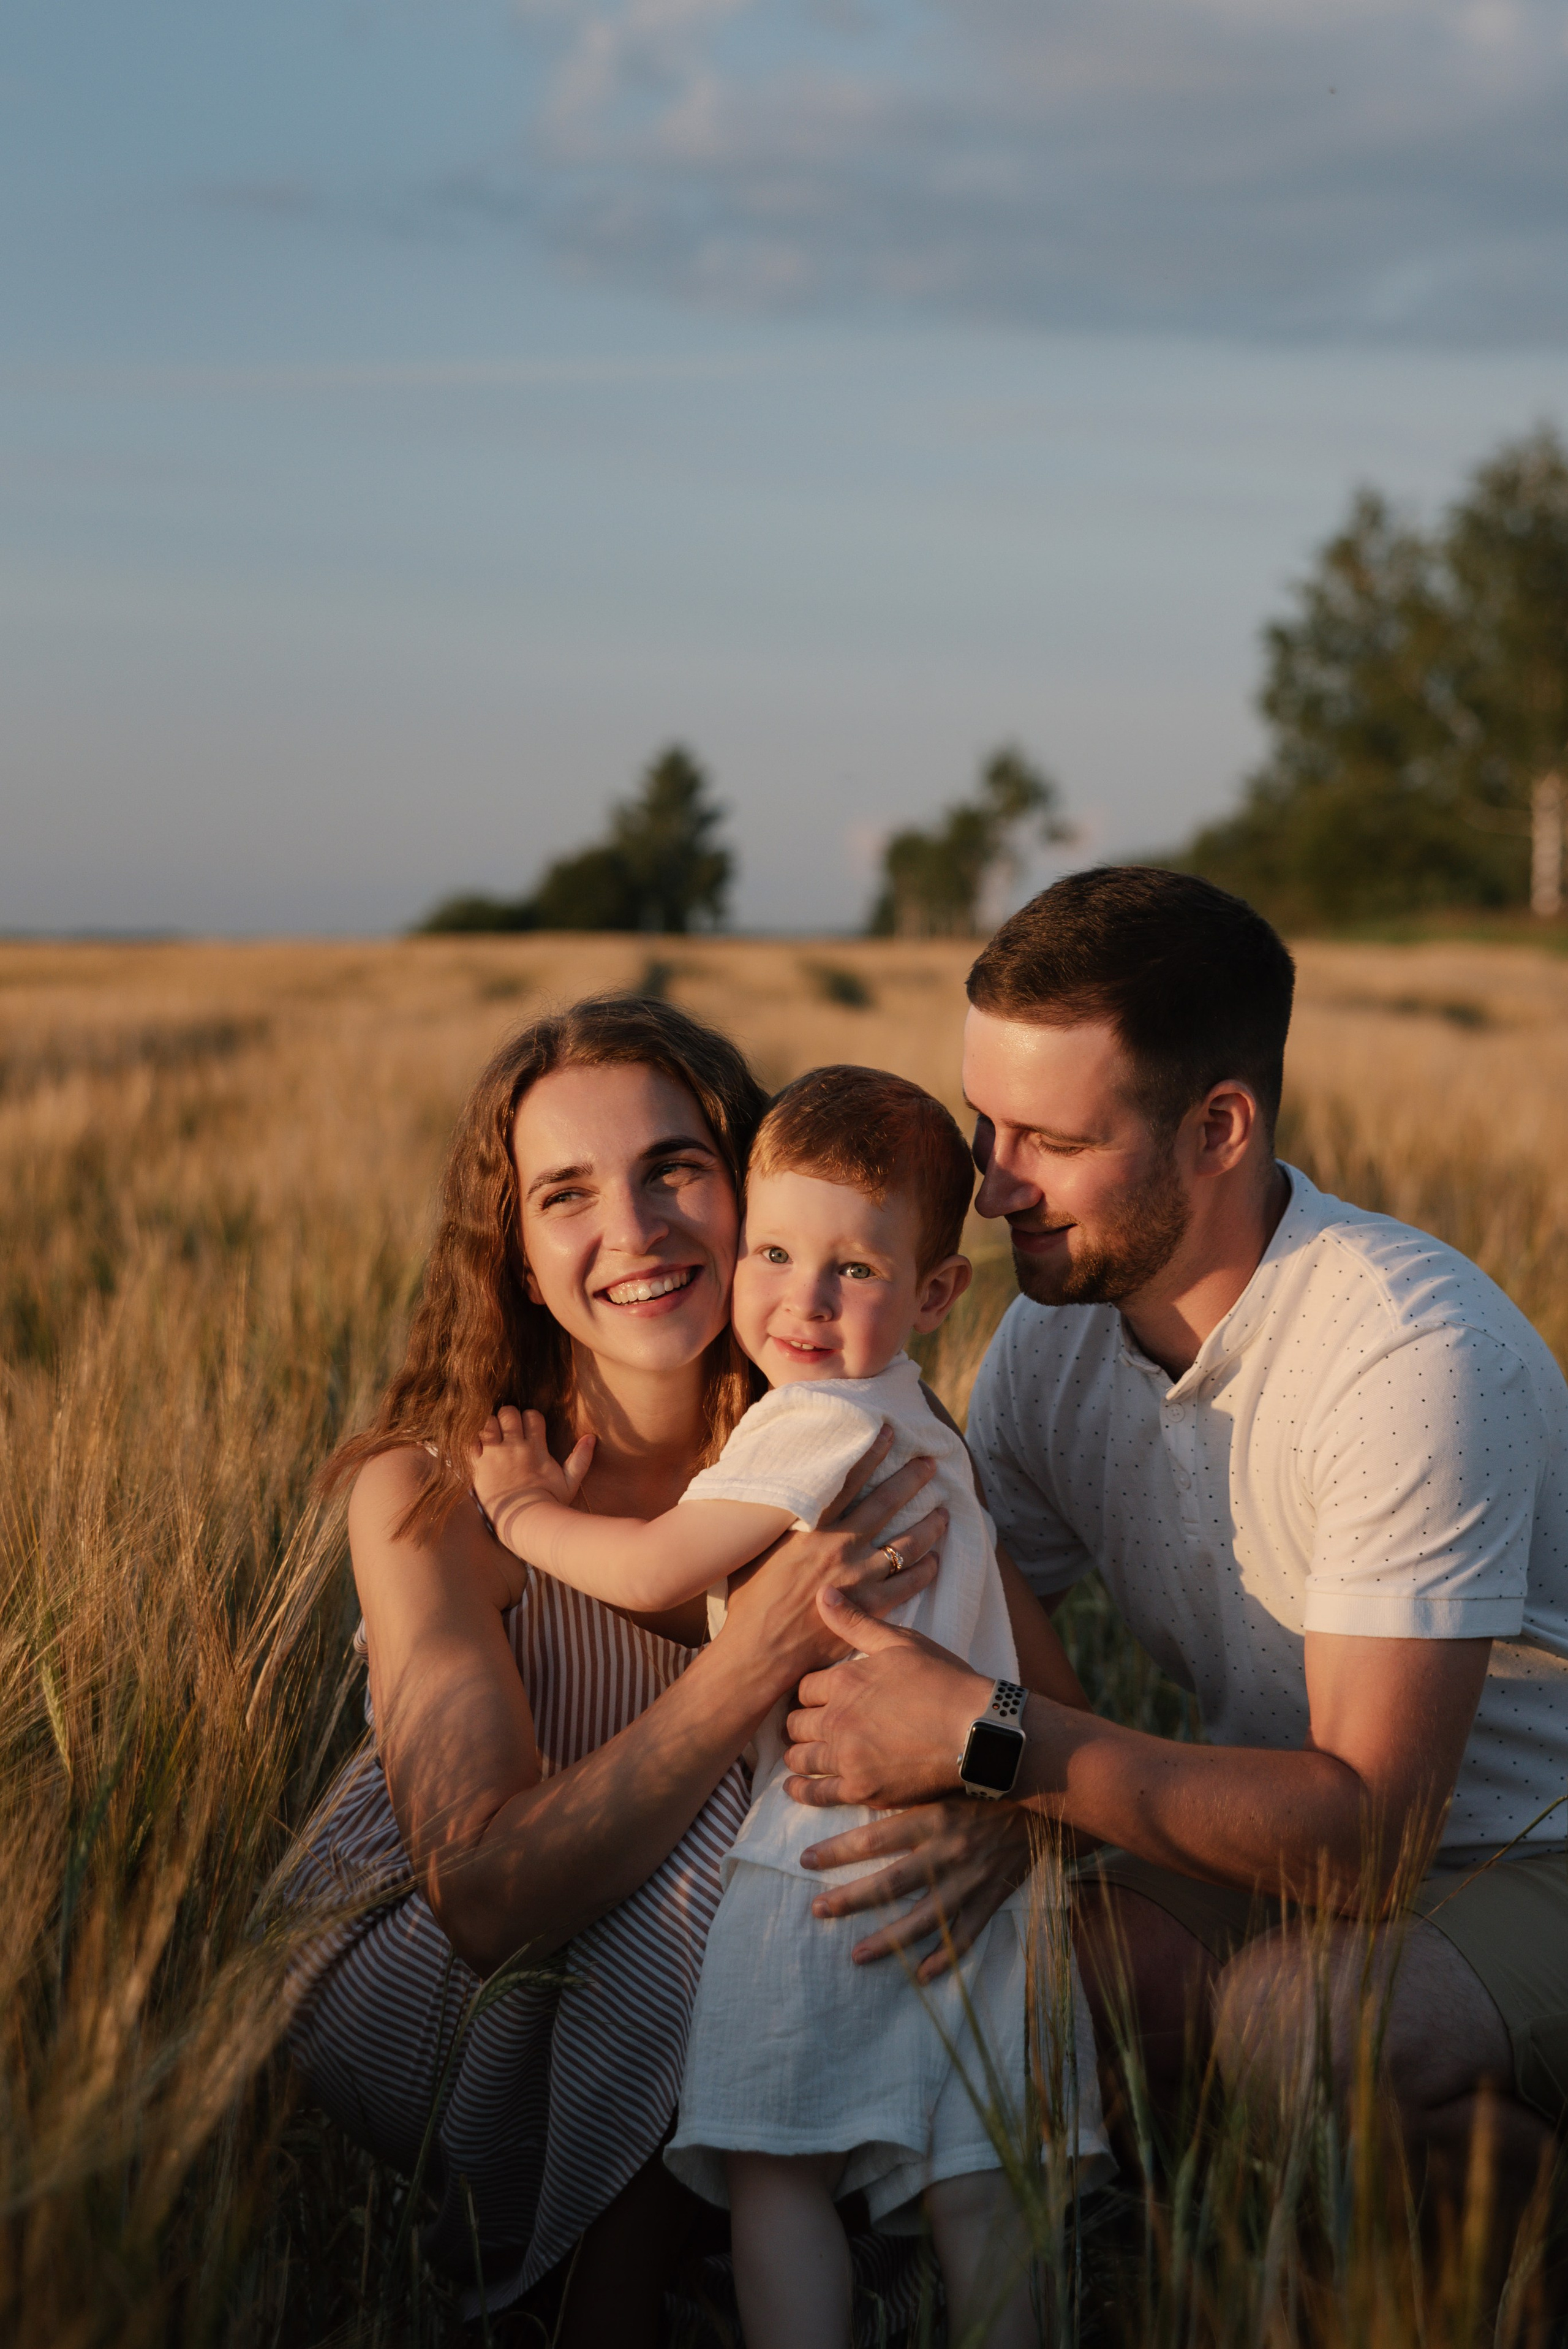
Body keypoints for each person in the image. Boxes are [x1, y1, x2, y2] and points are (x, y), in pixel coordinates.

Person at [782, 868, 1568, 2246]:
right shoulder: (1056, 1337)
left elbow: (1375, 1837)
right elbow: (949, 1599)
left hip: (1527, 1846)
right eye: (981, 1120)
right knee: (1021, 1992)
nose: (984, 1183)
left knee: (1295, 2032)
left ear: (1216, 1127)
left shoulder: (1406, 1354)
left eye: (1044, 1136)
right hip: (1283, 1827)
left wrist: (1002, 1751)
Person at [283, 995, 1041, 2344]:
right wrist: (752, 1658)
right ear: (517, 1256)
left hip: (739, 1978)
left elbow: (1045, 1729)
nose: (632, 1231)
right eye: (565, 1193)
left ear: (750, 1195)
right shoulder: (434, 1492)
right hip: (442, 2002)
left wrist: (999, 1814)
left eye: (673, 1170)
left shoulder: (847, 1441)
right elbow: (487, 1895)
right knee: (733, 1854)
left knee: (798, 1868)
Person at [471, 1065, 1110, 2349]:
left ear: (935, 1293)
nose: (800, 1301)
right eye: (771, 1251)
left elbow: (656, 1567)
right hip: (984, 1865)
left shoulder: (808, 1423)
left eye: (852, 1271)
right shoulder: (916, 1427)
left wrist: (520, 1511)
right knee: (981, 2187)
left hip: (821, 1854)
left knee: (772, 2165)